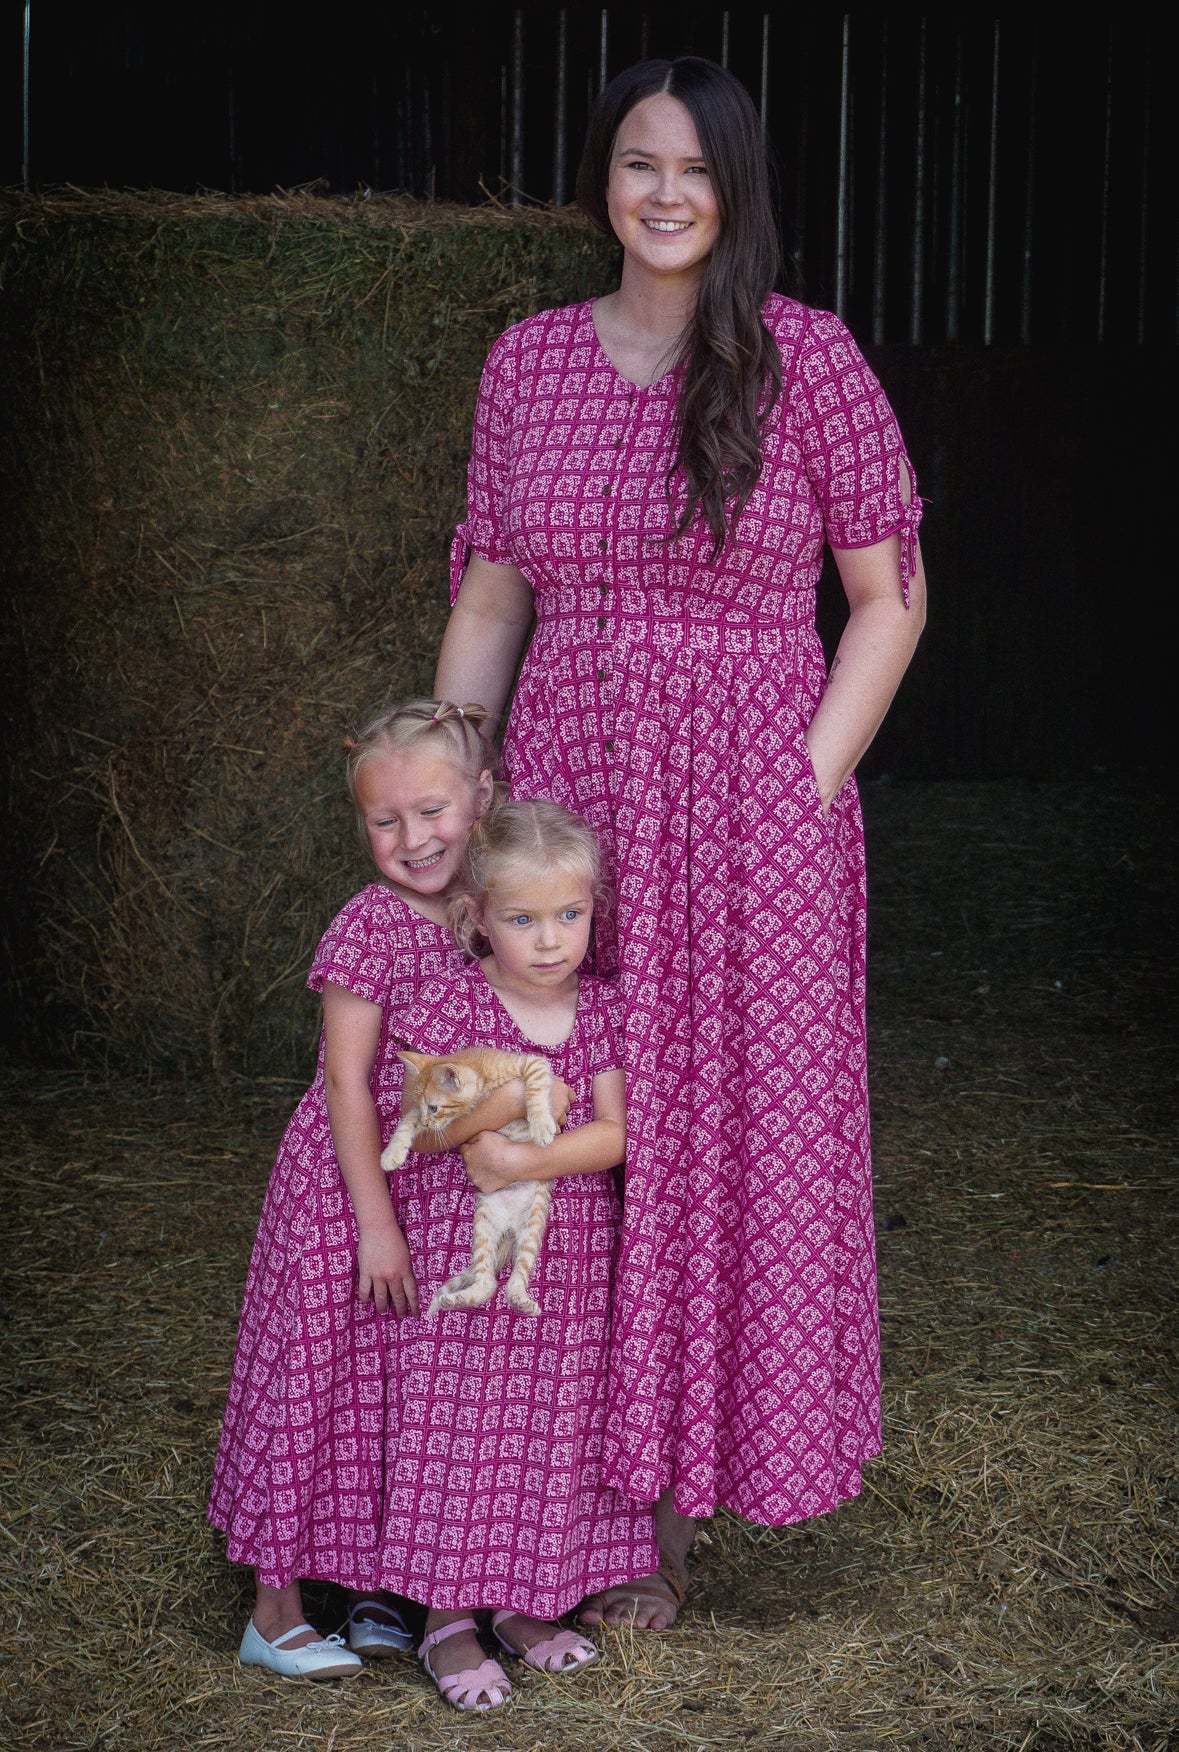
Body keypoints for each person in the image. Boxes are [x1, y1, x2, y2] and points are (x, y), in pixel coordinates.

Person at [434, 56, 927, 1631]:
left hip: (750, 819)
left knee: (717, 1140)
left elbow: (886, 600)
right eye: (637, 164)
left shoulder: (806, 360)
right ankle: (548, 1504)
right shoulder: (526, 363)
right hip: (566, 808)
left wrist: (803, 783)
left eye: (694, 169)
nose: (663, 194)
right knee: (564, 1112)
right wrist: (454, 808)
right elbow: (492, 598)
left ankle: (666, 1520)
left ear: (735, 189)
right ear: (602, 180)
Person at [210, 698, 557, 1678]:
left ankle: (378, 1589)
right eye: (385, 821)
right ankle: (272, 1612)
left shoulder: (488, 913)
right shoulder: (369, 925)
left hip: (429, 1188)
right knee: (312, 1375)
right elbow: (346, 1083)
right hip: (347, 1185)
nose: (413, 839)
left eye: (432, 811)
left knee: (387, 1385)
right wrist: (374, 1223)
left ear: (484, 798)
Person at [371, 799, 657, 1711]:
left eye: (569, 915)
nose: (549, 940)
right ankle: (446, 1620)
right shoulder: (449, 1001)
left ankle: (525, 1605)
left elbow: (616, 1133)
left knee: (551, 1428)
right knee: (457, 1431)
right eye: (523, 919)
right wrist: (502, 1113)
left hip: (564, 1264)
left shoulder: (601, 1009)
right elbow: (421, 1129)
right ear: (478, 917)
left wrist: (524, 1159)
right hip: (464, 1257)